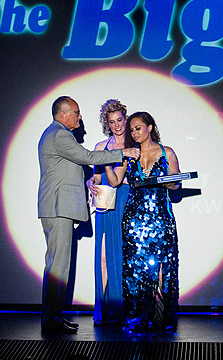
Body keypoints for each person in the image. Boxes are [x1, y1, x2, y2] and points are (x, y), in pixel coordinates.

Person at [37, 96, 140, 332]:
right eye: (76, 112)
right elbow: (88, 157)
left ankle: (53, 317)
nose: (79, 117)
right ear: (63, 114)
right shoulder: (60, 134)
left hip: (58, 208)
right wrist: (122, 153)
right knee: (57, 266)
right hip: (58, 208)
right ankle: (51, 319)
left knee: (58, 266)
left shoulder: (57, 134)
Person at [104, 111, 180, 331]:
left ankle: (160, 318)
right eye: (132, 130)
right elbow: (115, 181)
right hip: (134, 220)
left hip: (161, 219)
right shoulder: (130, 155)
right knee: (135, 270)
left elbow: (176, 183)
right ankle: (137, 317)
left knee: (161, 269)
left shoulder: (166, 152)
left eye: (138, 128)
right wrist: (107, 163)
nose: (134, 133)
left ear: (150, 127)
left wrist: (169, 183)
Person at [86, 99, 130, 325]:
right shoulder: (100, 146)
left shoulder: (134, 145)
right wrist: (90, 183)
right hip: (105, 203)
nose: (117, 125)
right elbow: (97, 176)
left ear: (125, 118)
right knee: (103, 257)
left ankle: (123, 310)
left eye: (119, 120)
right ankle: (103, 310)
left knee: (124, 256)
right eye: (112, 122)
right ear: (107, 124)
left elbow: (123, 179)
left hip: (126, 202)